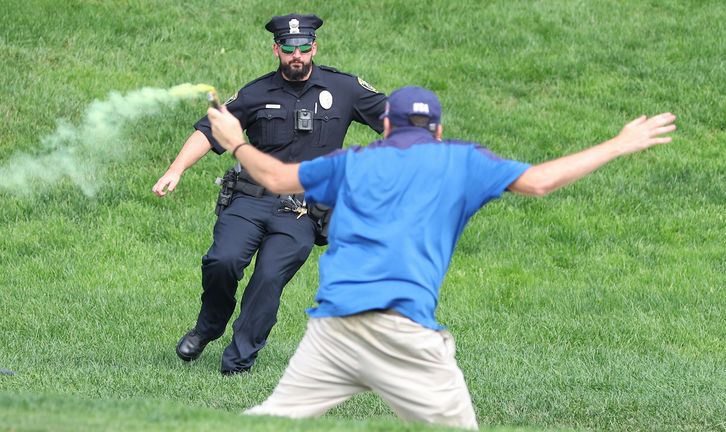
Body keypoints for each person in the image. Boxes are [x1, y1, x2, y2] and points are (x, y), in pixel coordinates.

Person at [206, 86, 676, 428]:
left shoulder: (354, 161)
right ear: (438, 130)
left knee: (268, 421)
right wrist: (620, 143)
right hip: (401, 333)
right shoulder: (461, 160)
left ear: (385, 126)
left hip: (333, 329)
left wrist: (236, 140)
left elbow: (275, 178)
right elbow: (540, 182)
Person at [151, 14, 387, 375]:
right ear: (277, 49)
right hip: (249, 199)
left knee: (268, 280)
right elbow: (211, 128)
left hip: (301, 211)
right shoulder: (256, 92)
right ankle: (208, 327)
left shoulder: (344, 89)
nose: (298, 55)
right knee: (222, 261)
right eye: (290, 49)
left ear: (314, 47)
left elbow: (393, 120)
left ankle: (237, 362)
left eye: (304, 48)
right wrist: (176, 169)